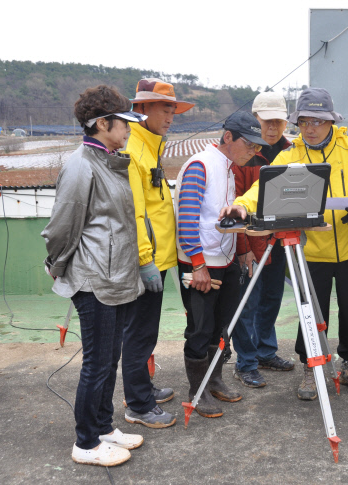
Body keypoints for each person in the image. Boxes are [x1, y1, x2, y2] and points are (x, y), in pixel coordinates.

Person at [220, 88, 348, 401]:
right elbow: (262, 188)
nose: (310, 128)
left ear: (331, 121)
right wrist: (242, 205)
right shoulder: (290, 154)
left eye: (318, 121)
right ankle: (312, 367)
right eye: (304, 121)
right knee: (310, 311)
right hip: (309, 250)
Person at [42, 85, 147, 466]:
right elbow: (62, 226)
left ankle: (103, 426)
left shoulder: (108, 161)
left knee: (110, 358)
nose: (130, 129)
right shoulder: (81, 165)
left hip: (116, 276)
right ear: (102, 123)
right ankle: (86, 443)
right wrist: (56, 265)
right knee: (97, 364)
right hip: (94, 280)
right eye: (125, 122)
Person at [175, 111, 269, 417]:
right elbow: (187, 221)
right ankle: (197, 392)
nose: (254, 152)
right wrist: (198, 265)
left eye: (257, 147)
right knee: (200, 329)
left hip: (224, 259)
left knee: (221, 327)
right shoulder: (200, 165)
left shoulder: (229, 168)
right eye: (250, 145)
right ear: (227, 137)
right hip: (202, 263)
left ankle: (213, 380)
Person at [121, 79, 194, 429]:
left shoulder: (150, 145)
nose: (170, 116)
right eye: (164, 108)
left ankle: (141, 388)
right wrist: (146, 260)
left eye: (172, 110)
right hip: (146, 261)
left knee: (146, 331)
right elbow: (134, 212)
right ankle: (137, 404)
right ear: (142, 108)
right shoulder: (133, 149)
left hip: (160, 258)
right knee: (139, 332)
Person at [231, 92, 295, 388]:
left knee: (271, 297)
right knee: (247, 303)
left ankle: (265, 351)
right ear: (255, 119)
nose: (272, 127)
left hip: (281, 239)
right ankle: (246, 362)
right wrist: (243, 248)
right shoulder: (244, 155)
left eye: (278, 121)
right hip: (251, 242)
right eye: (267, 121)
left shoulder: (293, 151)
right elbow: (236, 204)